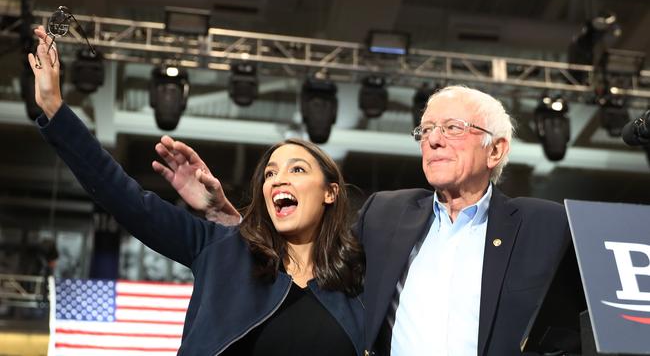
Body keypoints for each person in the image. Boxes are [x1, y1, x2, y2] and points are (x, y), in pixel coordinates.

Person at [160, 85, 578, 355]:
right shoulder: (386, 214)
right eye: (426, 129)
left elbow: (580, 325)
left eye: (452, 127)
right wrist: (227, 218)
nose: (433, 139)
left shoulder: (545, 224)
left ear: (496, 150)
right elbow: (314, 262)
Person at [28, 25, 365, 356]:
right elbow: (127, 200)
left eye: (297, 169)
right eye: (270, 173)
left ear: (330, 193)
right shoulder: (222, 251)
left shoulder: (358, 282)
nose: (277, 180)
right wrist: (56, 112)